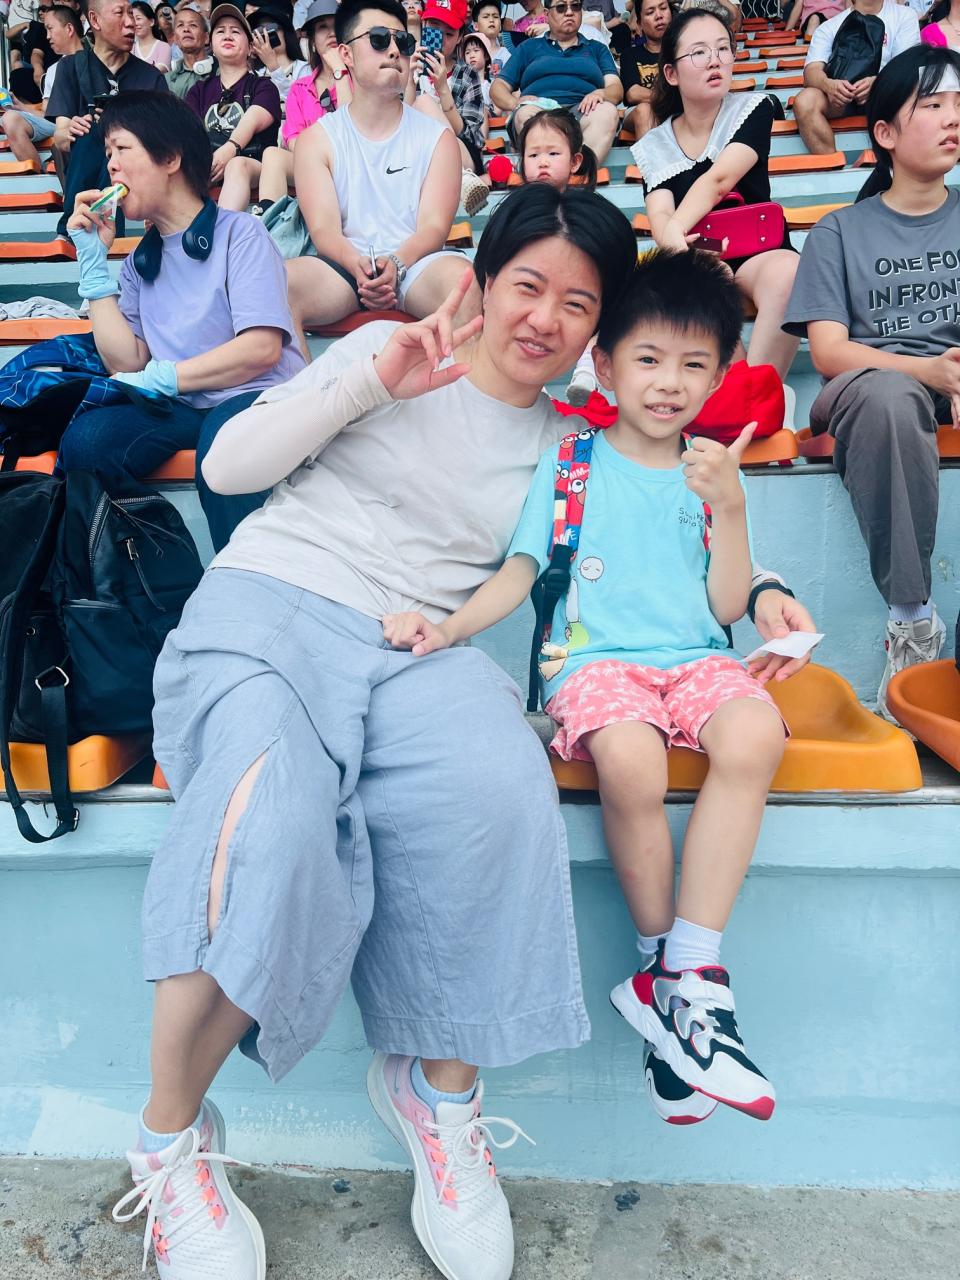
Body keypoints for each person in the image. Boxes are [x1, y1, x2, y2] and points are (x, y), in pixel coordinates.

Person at [107, 182, 635, 1280]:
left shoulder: (570, 444)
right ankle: (169, 1139)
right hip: (273, 602)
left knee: (500, 787)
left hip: (416, 644)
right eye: (527, 285)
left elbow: (662, 524)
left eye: (578, 303)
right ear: (482, 282)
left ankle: (437, 1096)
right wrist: (366, 381)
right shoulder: (386, 351)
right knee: (265, 821)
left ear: (599, 325)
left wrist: (761, 586)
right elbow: (227, 470)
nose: (544, 318)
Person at [383, 248, 808, 1128]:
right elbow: (519, 570)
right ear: (605, 366)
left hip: (695, 656)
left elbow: (727, 605)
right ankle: (664, 971)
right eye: (648, 359)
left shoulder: (711, 472)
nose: (669, 383)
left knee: (755, 735)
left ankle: (688, 968)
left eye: (693, 365)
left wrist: (732, 509)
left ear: (720, 374)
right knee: (630, 759)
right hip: (593, 664)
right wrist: (449, 627)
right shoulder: (571, 465)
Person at [783, 44, 960, 717]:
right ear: (884, 133)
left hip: (948, 382)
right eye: (933, 105)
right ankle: (912, 622)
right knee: (890, 398)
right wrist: (927, 370)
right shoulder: (839, 232)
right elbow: (830, 352)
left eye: (959, 105)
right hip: (871, 385)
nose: (953, 119)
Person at [59, 92, 304, 502]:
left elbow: (261, 350)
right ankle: (141, 541)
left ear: (171, 158)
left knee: (225, 450)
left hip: (255, 397)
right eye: (108, 153)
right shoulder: (138, 263)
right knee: (87, 442)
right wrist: (93, 264)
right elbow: (127, 362)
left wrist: (165, 377)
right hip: (184, 405)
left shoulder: (241, 233)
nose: (111, 164)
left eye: (121, 148)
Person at [284, 0, 481, 338]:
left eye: (402, 42)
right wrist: (357, 265)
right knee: (278, 285)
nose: (393, 51)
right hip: (343, 267)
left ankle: (460, 375)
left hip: (417, 265)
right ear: (346, 54)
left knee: (465, 286)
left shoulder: (437, 138)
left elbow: (434, 227)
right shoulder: (316, 141)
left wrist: (397, 264)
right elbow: (324, 230)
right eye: (377, 39)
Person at [632, 7, 800, 379]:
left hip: (760, 251)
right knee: (704, 281)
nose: (715, 61)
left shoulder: (752, 110)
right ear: (671, 73)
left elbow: (720, 179)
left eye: (723, 48)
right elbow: (659, 214)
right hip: (698, 253)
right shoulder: (654, 146)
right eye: (699, 52)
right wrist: (678, 246)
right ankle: (741, 396)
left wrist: (673, 229)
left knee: (789, 275)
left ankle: (761, 391)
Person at [47, 0, 169, 236]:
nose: (131, 22)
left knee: (112, 133)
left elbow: (163, 143)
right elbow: (60, 137)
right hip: (86, 163)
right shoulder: (70, 68)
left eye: (131, 14)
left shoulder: (151, 78)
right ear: (95, 20)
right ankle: (95, 229)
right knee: (90, 130)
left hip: (138, 177)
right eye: (120, 13)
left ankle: (77, 230)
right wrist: (70, 129)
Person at [517, 106, 601, 403]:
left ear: (575, 161)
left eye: (553, 154)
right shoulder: (516, 210)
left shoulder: (588, 209)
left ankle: (587, 367)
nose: (542, 162)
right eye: (533, 155)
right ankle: (530, 380)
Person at [490, 0, 623, 163]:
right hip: (539, 109)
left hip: (584, 111)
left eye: (575, 6)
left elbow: (616, 88)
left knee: (607, 112)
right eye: (561, 7)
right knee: (525, 114)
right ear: (546, 15)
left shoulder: (597, 48)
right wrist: (515, 102)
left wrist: (601, 93)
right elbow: (498, 87)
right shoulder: (528, 47)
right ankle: (554, 174)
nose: (569, 12)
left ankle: (580, 173)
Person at [251, 0, 351, 216]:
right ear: (312, 40)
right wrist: (320, 160)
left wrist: (340, 70)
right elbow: (294, 139)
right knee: (273, 155)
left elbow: (350, 128)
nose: (331, 33)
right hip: (313, 164)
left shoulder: (360, 79)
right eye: (322, 27)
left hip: (352, 164)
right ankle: (269, 224)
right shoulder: (300, 87)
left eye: (337, 26)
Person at [186, 3, 282, 211]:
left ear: (250, 48)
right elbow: (188, 132)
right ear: (211, 45)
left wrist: (230, 149)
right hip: (209, 168)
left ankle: (224, 229)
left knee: (236, 165)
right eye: (220, 31)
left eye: (236, 31)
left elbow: (253, 119)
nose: (227, 35)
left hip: (255, 166)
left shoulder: (263, 86)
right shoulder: (199, 90)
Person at [793, 0, 920, 155]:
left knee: (912, 92)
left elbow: (906, 66)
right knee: (805, 101)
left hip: (886, 95)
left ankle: (899, 164)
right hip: (841, 97)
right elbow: (811, 72)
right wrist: (829, 85)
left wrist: (878, 83)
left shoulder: (904, 15)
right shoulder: (829, 27)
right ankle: (831, 164)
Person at [405, 0, 489, 214]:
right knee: (420, 103)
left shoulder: (467, 74)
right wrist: (409, 81)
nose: (440, 39)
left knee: (424, 101)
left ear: (460, 37)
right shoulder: (407, 68)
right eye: (434, 29)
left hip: (461, 153)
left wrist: (443, 89)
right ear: (424, 26)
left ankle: (460, 175)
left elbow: (471, 136)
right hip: (417, 155)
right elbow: (399, 124)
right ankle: (458, 179)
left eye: (449, 34)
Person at [0, 4, 83, 167]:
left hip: (86, 124)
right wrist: (20, 107)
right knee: (9, 118)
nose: (47, 36)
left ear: (69, 29)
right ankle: (36, 174)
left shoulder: (96, 61)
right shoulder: (52, 70)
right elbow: (47, 114)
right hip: (57, 126)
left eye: (50, 29)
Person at [620, 0, 670, 140]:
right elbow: (633, 93)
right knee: (645, 110)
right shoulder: (630, 55)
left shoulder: (682, 52)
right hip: (639, 111)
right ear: (640, 24)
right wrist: (671, 98)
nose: (659, 16)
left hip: (677, 111)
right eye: (650, 12)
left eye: (663, 8)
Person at [248, 5, 310, 103]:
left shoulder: (305, 69)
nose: (266, 34)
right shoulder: (254, 75)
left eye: (271, 28)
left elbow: (299, 104)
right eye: (259, 31)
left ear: (285, 32)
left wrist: (274, 67)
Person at [165, 4, 213, 98]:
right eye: (180, 25)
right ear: (175, 38)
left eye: (193, 25)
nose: (186, 29)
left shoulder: (221, 73)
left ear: (206, 37)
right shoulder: (166, 80)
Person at [472, 0, 516, 77]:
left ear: (500, 26)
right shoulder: (468, 54)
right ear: (476, 26)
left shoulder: (507, 56)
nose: (491, 20)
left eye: (495, 17)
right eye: (486, 17)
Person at [132, 0, 173, 67]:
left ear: (151, 22)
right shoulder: (130, 50)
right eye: (132, 20)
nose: (135, 23)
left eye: (138, 18)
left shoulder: (163, 47)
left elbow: (158, 71)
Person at [461, 28, 493, 106]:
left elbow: (497, 109)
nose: (471, 55)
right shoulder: (462, 84)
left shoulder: (491, 85)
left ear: (486, 55)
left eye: (476, 50)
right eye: (467, 52)